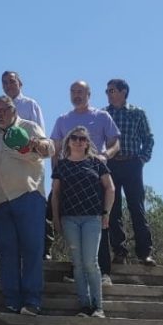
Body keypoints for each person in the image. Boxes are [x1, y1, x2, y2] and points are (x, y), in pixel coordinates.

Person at [0, 95, 53, 316]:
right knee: (6, 252)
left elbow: (49, 149)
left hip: (28, 195)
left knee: (32, 250)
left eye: (3, 110)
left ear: (13, 110)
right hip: (0, 201)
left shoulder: (29, 127)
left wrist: (37, 145)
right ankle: (11, 301)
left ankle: (32, 301)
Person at [49, 81, 120, 283]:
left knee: (100, 223)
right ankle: (75, 270)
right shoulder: (62, 119)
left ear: (89, 94)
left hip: (93, 177)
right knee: (68, 221)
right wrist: (56, 174)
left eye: (80, 92)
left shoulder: (101, 116)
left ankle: (104, 272)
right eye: (73, 92)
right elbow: (55, 148)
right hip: (68, 179)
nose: (76, 95)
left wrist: (106, 155)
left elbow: (115, 141)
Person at [51, 126, 114, 319]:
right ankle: (84, 305)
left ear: (87, 143)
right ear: (68, 141)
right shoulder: (61, 165)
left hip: (92, 218)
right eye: (75, 138)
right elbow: (55, 194)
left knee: (90, 262)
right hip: (69, 218)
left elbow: (110, 188)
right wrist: (55, 218)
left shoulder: (96, 163)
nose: (78, 141)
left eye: (83, 139)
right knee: (77, 264)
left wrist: (106, 213)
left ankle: (98, 306)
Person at [104, 78, 156, 266]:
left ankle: (145, 253)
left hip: (132, 164)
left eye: (112, 90)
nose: (109, 94)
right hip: (111, 165)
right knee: (113, 209)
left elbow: (148, 138)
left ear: (123, 91)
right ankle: (119, 252)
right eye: (107, 91)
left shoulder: (137, 113)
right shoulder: (104, 114)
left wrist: (142, 158)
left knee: (137, 208)